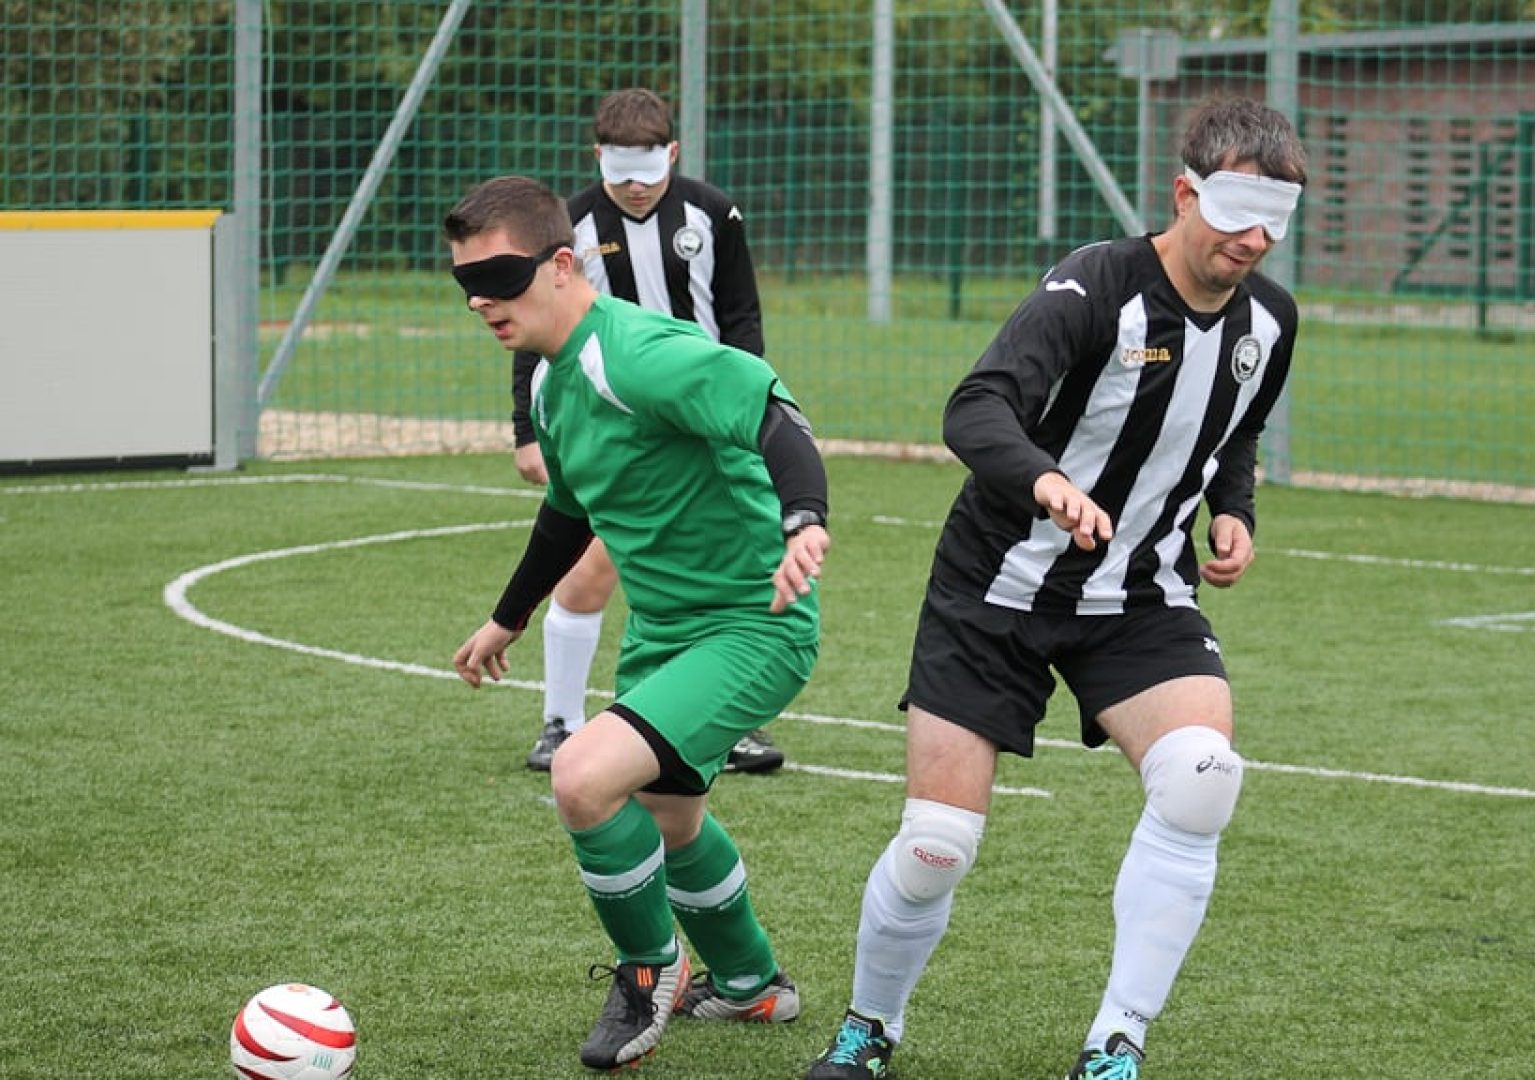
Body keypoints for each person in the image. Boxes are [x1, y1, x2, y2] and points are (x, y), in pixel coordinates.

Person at [803, 96, 1307, 1080]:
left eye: (1276, 219)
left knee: (1202, 779)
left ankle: (1116, 1039)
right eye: (1239, 210)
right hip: (997, 589)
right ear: (1185, 191)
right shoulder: (1094, 289)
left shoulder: (1271, 323)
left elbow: (1234, 427)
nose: (1255, 238)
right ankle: (870, 1027)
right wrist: (1044, 479)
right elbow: (977, 405)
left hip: (1142, 594)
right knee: (937, 843)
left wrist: (1231, 511)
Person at [445, 174, 832, 1072]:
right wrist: (508, 618)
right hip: (664, 633)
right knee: (670, 821)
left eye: (500, 274)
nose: (481, 298)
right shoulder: (550, 383)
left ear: (562, 264)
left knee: (582, 777)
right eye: (466, 280)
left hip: (754, 624)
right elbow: (571, 513)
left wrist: (803, 518)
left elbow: (773, 412)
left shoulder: (637, 351)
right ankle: (752, 985)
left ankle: (650, 968)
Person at [511, 86, 785, 776]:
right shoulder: (567, 225)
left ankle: (728, 718)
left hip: (702, 420)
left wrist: (746, 406)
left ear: (672, 153)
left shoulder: (713, 212)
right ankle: (560, 721)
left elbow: (740, 315)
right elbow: (533, 331)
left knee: (722, 566)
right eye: (619, 173)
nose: (635, 189)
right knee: (590, 568)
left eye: (649, 172)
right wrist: (526, 429)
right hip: (615, 424)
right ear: (597, 156)